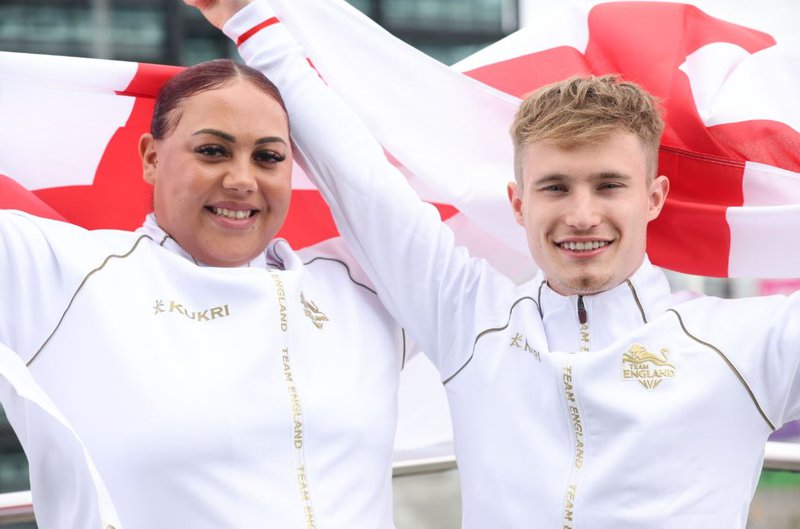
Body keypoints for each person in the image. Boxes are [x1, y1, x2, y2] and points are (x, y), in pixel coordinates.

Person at [192, 1, 800, 527]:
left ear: (654, 198)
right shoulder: (470, 317)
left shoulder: (746, 344)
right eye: (556, 188)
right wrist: (248, 18)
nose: (582, 215)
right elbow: (361, 180)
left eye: (609, 185)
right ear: (518, 201)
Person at [0, 58, 412, 529]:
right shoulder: (60, 275)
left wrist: (265, 32)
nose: (241, 180)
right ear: (151, 159)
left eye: (269, 157)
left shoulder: (365, 291)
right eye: (214, 151)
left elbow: (475, 193)